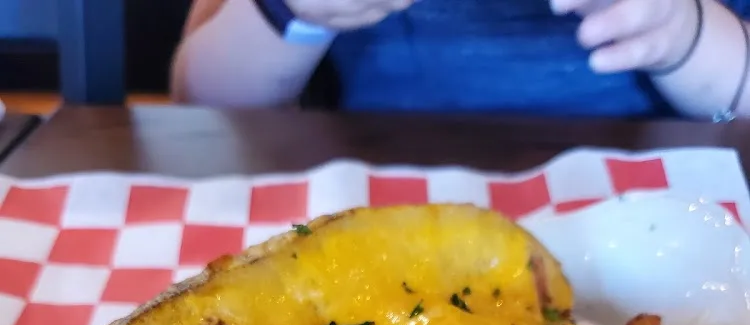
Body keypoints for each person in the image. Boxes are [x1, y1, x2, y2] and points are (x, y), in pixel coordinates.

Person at [171, 0, 750, 120]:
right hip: (377, 202)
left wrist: (687, 34)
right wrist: (291, 12)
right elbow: (202, 102)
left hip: (663, 214)